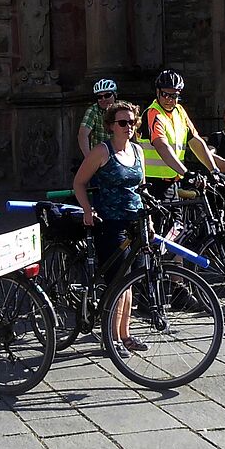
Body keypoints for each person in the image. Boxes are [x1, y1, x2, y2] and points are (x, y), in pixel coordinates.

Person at [73, 100, 146, 358]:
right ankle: (111, 337)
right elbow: (79, 182)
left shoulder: (137, 151)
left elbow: (140, 187)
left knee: (131, 281)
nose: (128, 127)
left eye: (132, 122)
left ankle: (125, 334)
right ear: (111, 126)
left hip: (135, 222)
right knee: (118, 282)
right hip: (111, 223)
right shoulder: (102, 152)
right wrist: (87, 209)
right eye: (122, 122)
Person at [142, 69, 225, 198]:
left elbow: (196, 142)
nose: (169, 100)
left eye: (174, 96)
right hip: (154, 183)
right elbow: (162, 146)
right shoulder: (153, 114)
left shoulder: (179, 111)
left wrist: (213, 169)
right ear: (157, 92)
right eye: (165, 94)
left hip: (175, 181)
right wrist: (186, 172)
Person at [77, 79, 118, 157]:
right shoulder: (93, 110)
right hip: (102, 156)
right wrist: (89, 158)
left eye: (107, 95)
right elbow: (82, 135)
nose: (103, 99)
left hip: (121, 154)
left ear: (115, 95)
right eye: (100, 97)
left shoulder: (123, 108)